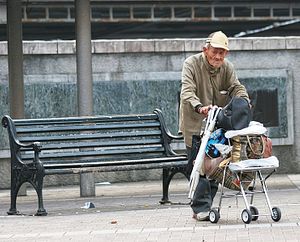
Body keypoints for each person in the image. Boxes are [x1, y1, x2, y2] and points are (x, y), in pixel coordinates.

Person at [179, 31, 250, 221]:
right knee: (198, 165)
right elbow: (187, 92)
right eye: (215, 52)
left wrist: (243, 100)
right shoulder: (191, 64)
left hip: (217, 126)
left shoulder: (227, 68)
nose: (218, 57)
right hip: (195, 124)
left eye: (222, 53)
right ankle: (200, 207)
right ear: (205, 49)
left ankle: (207, 206)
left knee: (215, 165)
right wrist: (200, 107)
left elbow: (236, 87)